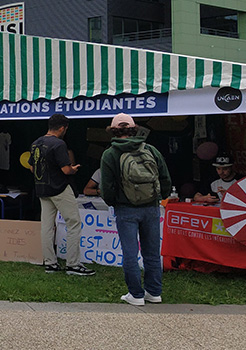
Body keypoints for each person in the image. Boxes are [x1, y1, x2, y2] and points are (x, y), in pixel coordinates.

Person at [100, 113, 172, 306]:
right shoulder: (150, 149)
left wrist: (113, 202)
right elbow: (164, 177)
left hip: (126, 209)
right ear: (134, 129)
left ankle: (136, 294)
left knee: (130, 253)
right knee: (152, 252)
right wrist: (160, 196)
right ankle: (154, 292)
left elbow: (106, 187)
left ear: (113, 131)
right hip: (151, 207)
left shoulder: (110, 154)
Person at [28, 114, 94, 276]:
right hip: (59, 188)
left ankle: (50, 263)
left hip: (42, 189)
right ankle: (73, 264)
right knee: (73, 223)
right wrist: (73, 169)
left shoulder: (36, 143)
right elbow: (66, 170)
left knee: (47, 226)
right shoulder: (58, 144)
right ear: (63, 128)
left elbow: (31, 167)